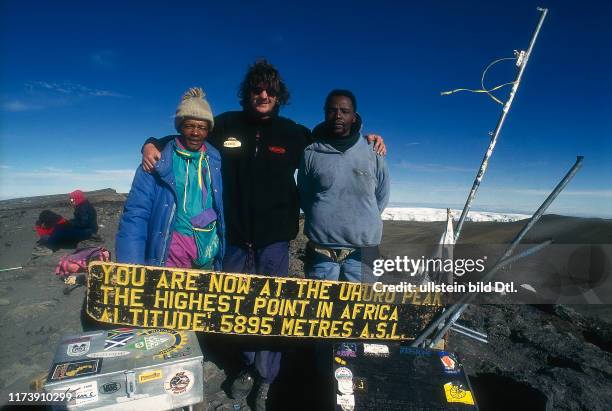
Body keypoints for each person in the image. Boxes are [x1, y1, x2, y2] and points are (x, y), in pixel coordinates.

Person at [141, 60, 385, 411]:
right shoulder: (226, 123)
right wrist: (152, 143)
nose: (264, 95)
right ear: (248, 93)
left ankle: (267, 377)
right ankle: (245, 366)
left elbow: (336, 133)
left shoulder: (295, 133)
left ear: (279, 94)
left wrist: (368, 133)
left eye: (270, 89)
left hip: (274, 240)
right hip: (234, 238)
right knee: (238, 309)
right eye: (257, 89)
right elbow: (189, 136)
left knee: (273, 310)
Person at [116, 87, 225, 270]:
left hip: (207, 260)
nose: (195, 132)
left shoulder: (216, 161)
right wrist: (130, 267)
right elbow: (136, 214)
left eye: (202, 127)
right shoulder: (156, 162)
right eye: (189, 125)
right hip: (168, 260)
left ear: (209, 130)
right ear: (180, 126)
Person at [298, 89, 389, 283]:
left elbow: (381, 195)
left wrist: (363, 219)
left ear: (354, 117)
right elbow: (305, 195)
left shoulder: (373, 152)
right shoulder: (311, 153)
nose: (338, 115)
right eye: (332, 110)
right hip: (321, 253)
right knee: (319, 310)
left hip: (363, 254)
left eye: (344, 111)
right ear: (325, 114)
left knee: (362, 310)